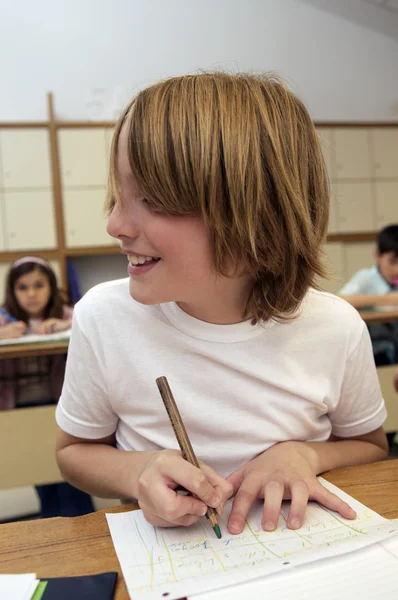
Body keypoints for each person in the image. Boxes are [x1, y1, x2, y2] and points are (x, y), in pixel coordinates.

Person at [55, 72, 388, 536]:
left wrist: (306, 454)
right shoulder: (105, 317)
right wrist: (137, 471)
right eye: (117, 196)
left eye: (149, 199)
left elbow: (371, 446)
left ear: (255, 214)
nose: (114, 224)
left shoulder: (334, 326)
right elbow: (74, 453)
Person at [0, 256, 94, 518]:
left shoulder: (66, 314)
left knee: (73, 477)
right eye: (23, 287)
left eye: (39, 285)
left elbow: (93, 319)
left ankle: (83, 529)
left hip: (60, 407)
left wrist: (66, 324)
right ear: (12, 291)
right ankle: (53, 527)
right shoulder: (4, 320)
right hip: (18, 411)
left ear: (51, 287)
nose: (31, 294)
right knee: (40, 473)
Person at [339, 225, 398, 366]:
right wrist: (386, 300)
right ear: (377, 255)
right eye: (392, 262)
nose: (397, 269)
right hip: (377, 346)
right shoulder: (366, 277)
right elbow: (341, 300)